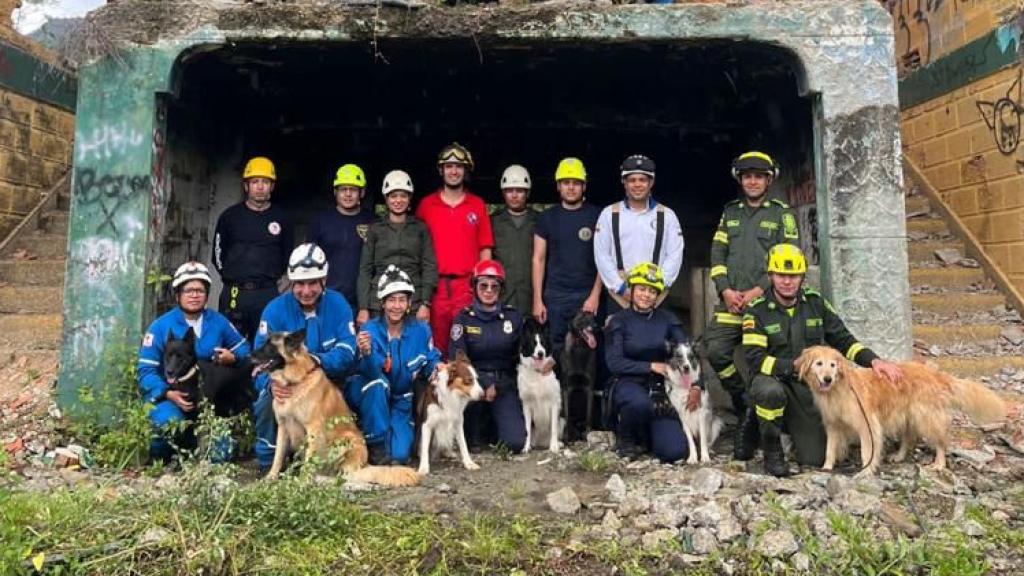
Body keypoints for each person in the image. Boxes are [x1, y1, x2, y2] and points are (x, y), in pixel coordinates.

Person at [742, 244, 903, 477]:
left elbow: (843, 339)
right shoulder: (756, 311)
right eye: (781, 275)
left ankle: (791, 428)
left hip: (809, 387)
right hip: (774, 380)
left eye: (793, 276)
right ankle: (771, 448)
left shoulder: (815, 303)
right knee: (769, 393)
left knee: (814, 457)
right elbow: (755, 360)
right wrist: (791, 366)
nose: (787, 281)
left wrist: (875, 361)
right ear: (771, 277)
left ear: (802, 277)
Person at [706, 151, 801, 461]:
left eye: (758, 176)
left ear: (768, 180)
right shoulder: (729, 212)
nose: (752, 181)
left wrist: (759, 289)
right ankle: (743, 400)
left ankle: (771, 422)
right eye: (747, 176)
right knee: (715, 349)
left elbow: (789, 258)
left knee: (766, 359)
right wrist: (725, 291)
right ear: (740, 180)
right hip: (731, 303)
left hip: (765, 305)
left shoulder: (782, 214)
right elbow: (718, 255)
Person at [251, 243, 358, 472]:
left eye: (312, 283)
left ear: (324, 280)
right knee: (264, 401)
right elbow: (260, 357)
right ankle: (269, 463)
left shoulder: (339, 305)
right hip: (287, 386)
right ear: (291, 283)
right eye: (300, 284)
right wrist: (270, 386)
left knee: (368, 386)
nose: (306, 290)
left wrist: (317, 362)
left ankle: (365, 451)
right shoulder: (274, 310)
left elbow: (348, 351)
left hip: (334, 382)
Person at [138, 261, 250, 461]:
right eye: (188, 290)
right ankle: (162, 462)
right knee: (167, 425)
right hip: (170, 398)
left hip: (209, 403)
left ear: (207, 294)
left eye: (200, 290)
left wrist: (232, 357)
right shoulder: (160, 326)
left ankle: (196, 446)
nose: (194, 295)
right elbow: (146, 371)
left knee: (221, 454)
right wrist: (167, 393)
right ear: (178, 295)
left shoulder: (218, 322)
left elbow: (243, 348)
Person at [346, 266, 441, 465]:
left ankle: (392, 434)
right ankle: (372, 437)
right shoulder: (369, 329)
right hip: (372, 393)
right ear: (382, 303)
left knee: (399, 455)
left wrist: (436, 369)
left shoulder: (421, 330)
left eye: (401, 300)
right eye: (391, 300)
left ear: (408, 303)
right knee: (377, 385)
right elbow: (370, 372)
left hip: (401, 399)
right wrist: (367, 352)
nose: (396, 306)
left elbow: (429, 359)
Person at [605, 262, 692, 462]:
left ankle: (648, 437)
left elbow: (687, 351)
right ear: (632, 289)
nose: (646, 295)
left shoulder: (667, 319)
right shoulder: (618, 321)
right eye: (642, 289)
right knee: (639, 403)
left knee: (674, 452)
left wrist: (696, 385)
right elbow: (614, 363)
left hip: (662, 388)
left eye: (652, 291)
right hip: (629, 384)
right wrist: (651, 366)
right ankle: (626, 438)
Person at [416, 142, 494, 356]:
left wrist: (482, 287)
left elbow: (485, 250)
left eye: (459, 166)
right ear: (441, 170)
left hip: (466, 287)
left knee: (468, 346)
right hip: (435, 288)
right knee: (435, 347)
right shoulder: (426, 206)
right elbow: (417, 251)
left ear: (466, 170)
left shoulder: (477, 205)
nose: (453, 171)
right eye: (449, 166)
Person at [212, 156, 294, 342]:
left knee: (267, 348)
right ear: (246, 185)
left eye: (265, 182)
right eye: (254, 181)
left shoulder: (282, 218)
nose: (259, 186)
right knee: (229, 347)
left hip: (268, 293)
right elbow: (218, 254)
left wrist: (278, 282)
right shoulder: (229, 216)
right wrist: (232, 277)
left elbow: (288, 254)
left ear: (272, 186)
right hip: (235, 293)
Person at [449, 259, 526, 452]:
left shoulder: (513, 318)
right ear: (475, 288)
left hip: (504, 383)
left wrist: (497, 385)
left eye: (495, 286)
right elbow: (457, 359)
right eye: (483, 285)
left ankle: (497, 426)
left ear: (501, 289)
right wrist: (483, 382)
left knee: (515, 443)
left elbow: (521, 356)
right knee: (473, 444)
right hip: (472, 384)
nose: (489, 290)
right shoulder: (463, 319)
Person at [532, 157, 602, 359]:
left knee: (588, 348)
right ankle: (558, 391)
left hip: (586, 295)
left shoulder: (598, 216)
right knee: (555, 347)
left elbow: (604, 258)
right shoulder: (547, 218)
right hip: (556, 295)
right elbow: (538, 258)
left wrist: (595, 295)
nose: (571, 188)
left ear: (584, 186)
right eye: (566, 183)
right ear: (558, 186)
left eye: (576, 183)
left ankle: (589, 391)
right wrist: (538, 299)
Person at [594, 154, 684, 309]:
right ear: (624, 182)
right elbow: (602, 255)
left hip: (656, 295)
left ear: (651, 182)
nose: (637, 185)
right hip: (620, 297)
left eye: (642, 180)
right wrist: (621, 288)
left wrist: (657, 286)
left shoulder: (667, 216)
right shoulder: (609, 214)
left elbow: (675, 255)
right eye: (632, 180)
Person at [355, 170, 437, 327]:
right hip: (378, 301)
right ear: (386, 199)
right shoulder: (375, 229)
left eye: (403, 196)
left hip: (413, 301)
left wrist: (425, 304)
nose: (398, 200)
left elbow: (429, 266)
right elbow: (365, 270)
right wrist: (364, 308)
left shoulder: (420, 229)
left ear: (409, 198)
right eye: (393, 196)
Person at [309, 163, 376, 307]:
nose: (348, 194)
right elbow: (309, 262)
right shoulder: (321, 221)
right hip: (326, 300)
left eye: (353, 189)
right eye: (343, 189)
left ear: (362, 192)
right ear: (335, 192)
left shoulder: (373, 222)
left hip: (363, 302)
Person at [491, 164, 537, 315]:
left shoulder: (539, 221)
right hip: (502, 297)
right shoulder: (493, 222)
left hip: (532, 298)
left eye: (519, 190)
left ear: (527, 193)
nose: (514, 195)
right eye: (510, 190)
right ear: (503, 193)